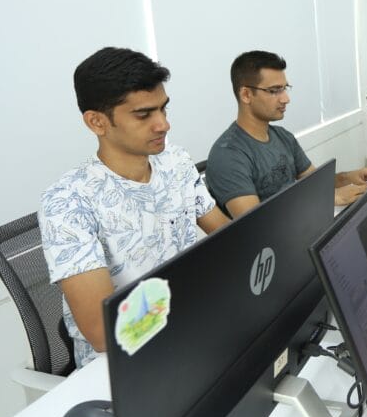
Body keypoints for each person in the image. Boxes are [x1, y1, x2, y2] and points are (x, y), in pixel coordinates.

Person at [39, 47, 229, 368]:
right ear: (97, 122)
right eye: (144, 115)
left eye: (163, 109)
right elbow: (102, 332)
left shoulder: (176, 161)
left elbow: (227, 235)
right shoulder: (68, 202)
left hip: (193, 327)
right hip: (126, 362)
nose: (163, 124)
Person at [206, 51, 367, 217]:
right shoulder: (228, 155)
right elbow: (255, 226)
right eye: (274, 91)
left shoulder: (282, 136)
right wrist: (325, 199)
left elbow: (315, 182)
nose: (285, 99)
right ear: (246, 94)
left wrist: (348, 177)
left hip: (303, 225)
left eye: (284, 88)